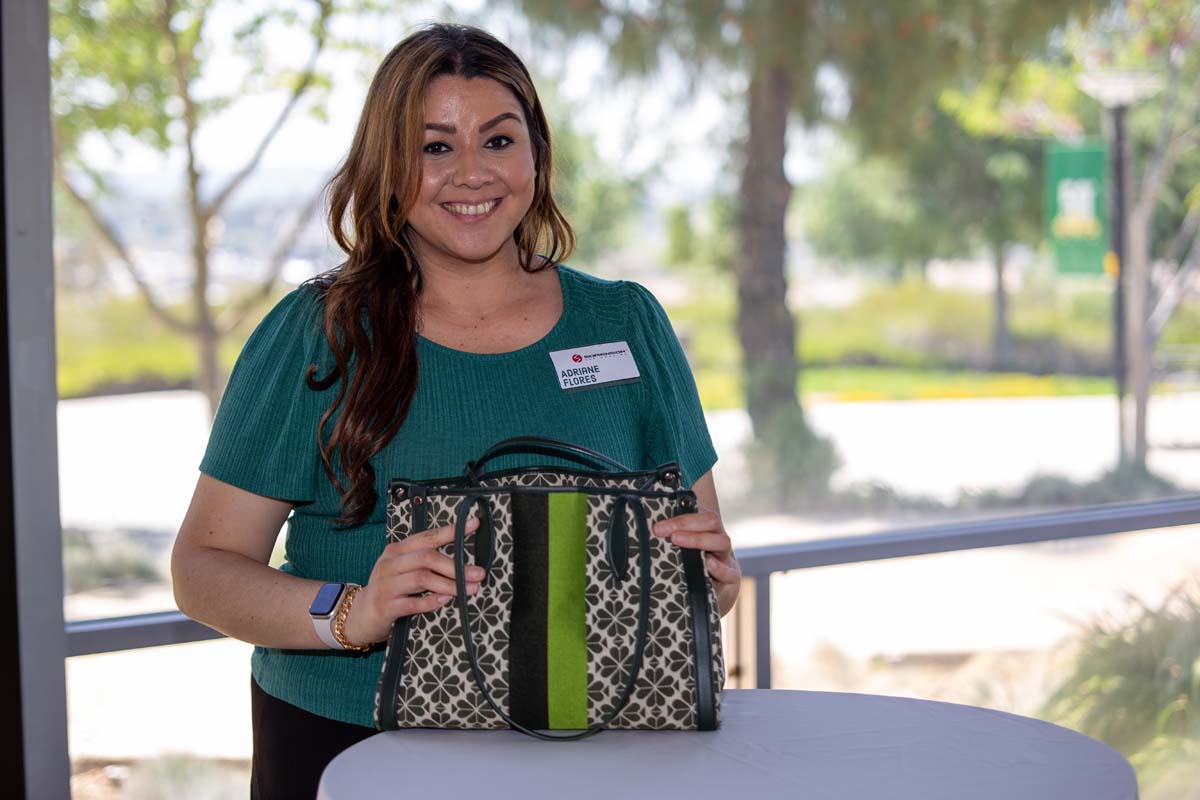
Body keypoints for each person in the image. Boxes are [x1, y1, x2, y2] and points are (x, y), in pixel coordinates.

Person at [171, 21, 741, 800]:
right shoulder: (318, 331)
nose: (471, 173)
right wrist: (355, 612)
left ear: (536, 155)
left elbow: (708, 575)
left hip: (589, 740)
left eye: (499, 141)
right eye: (435, 147)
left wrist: (707, 575)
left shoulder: (627, 323)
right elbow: (201, 570)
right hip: (349, 741)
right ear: (389, 167)